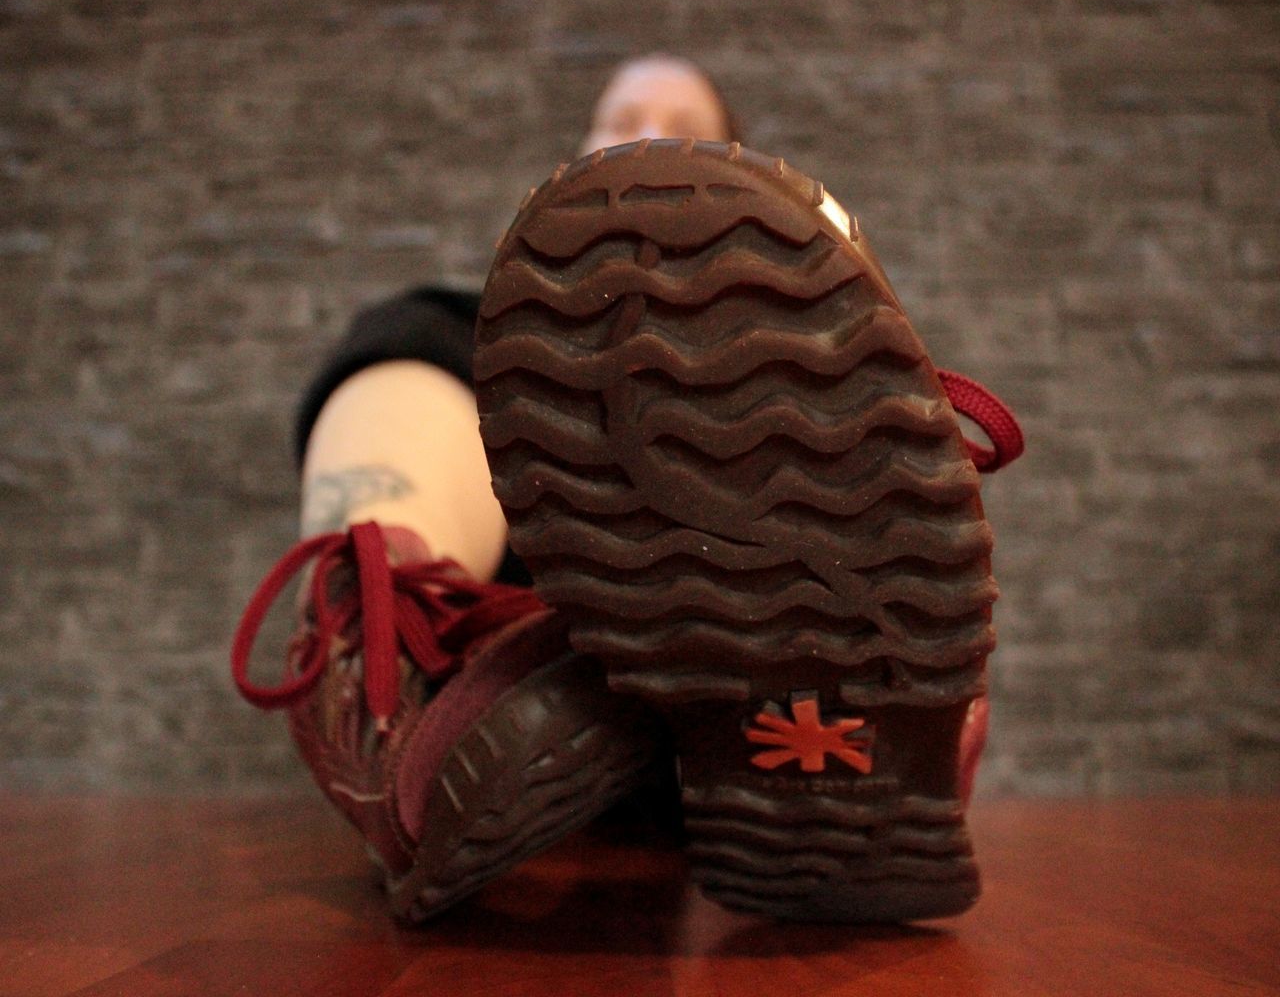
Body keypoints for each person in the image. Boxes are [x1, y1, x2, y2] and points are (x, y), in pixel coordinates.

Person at [231, 54, 1023, 923]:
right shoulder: (469, 329)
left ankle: (842, 738)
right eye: (622, 117)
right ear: (580, 150)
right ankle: (381, 621)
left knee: (836, 436)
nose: (648, 131)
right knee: (412, 346)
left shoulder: (821, 360)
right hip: (527, 689)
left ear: (738, 166)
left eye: (681, 120)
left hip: (669, 730)